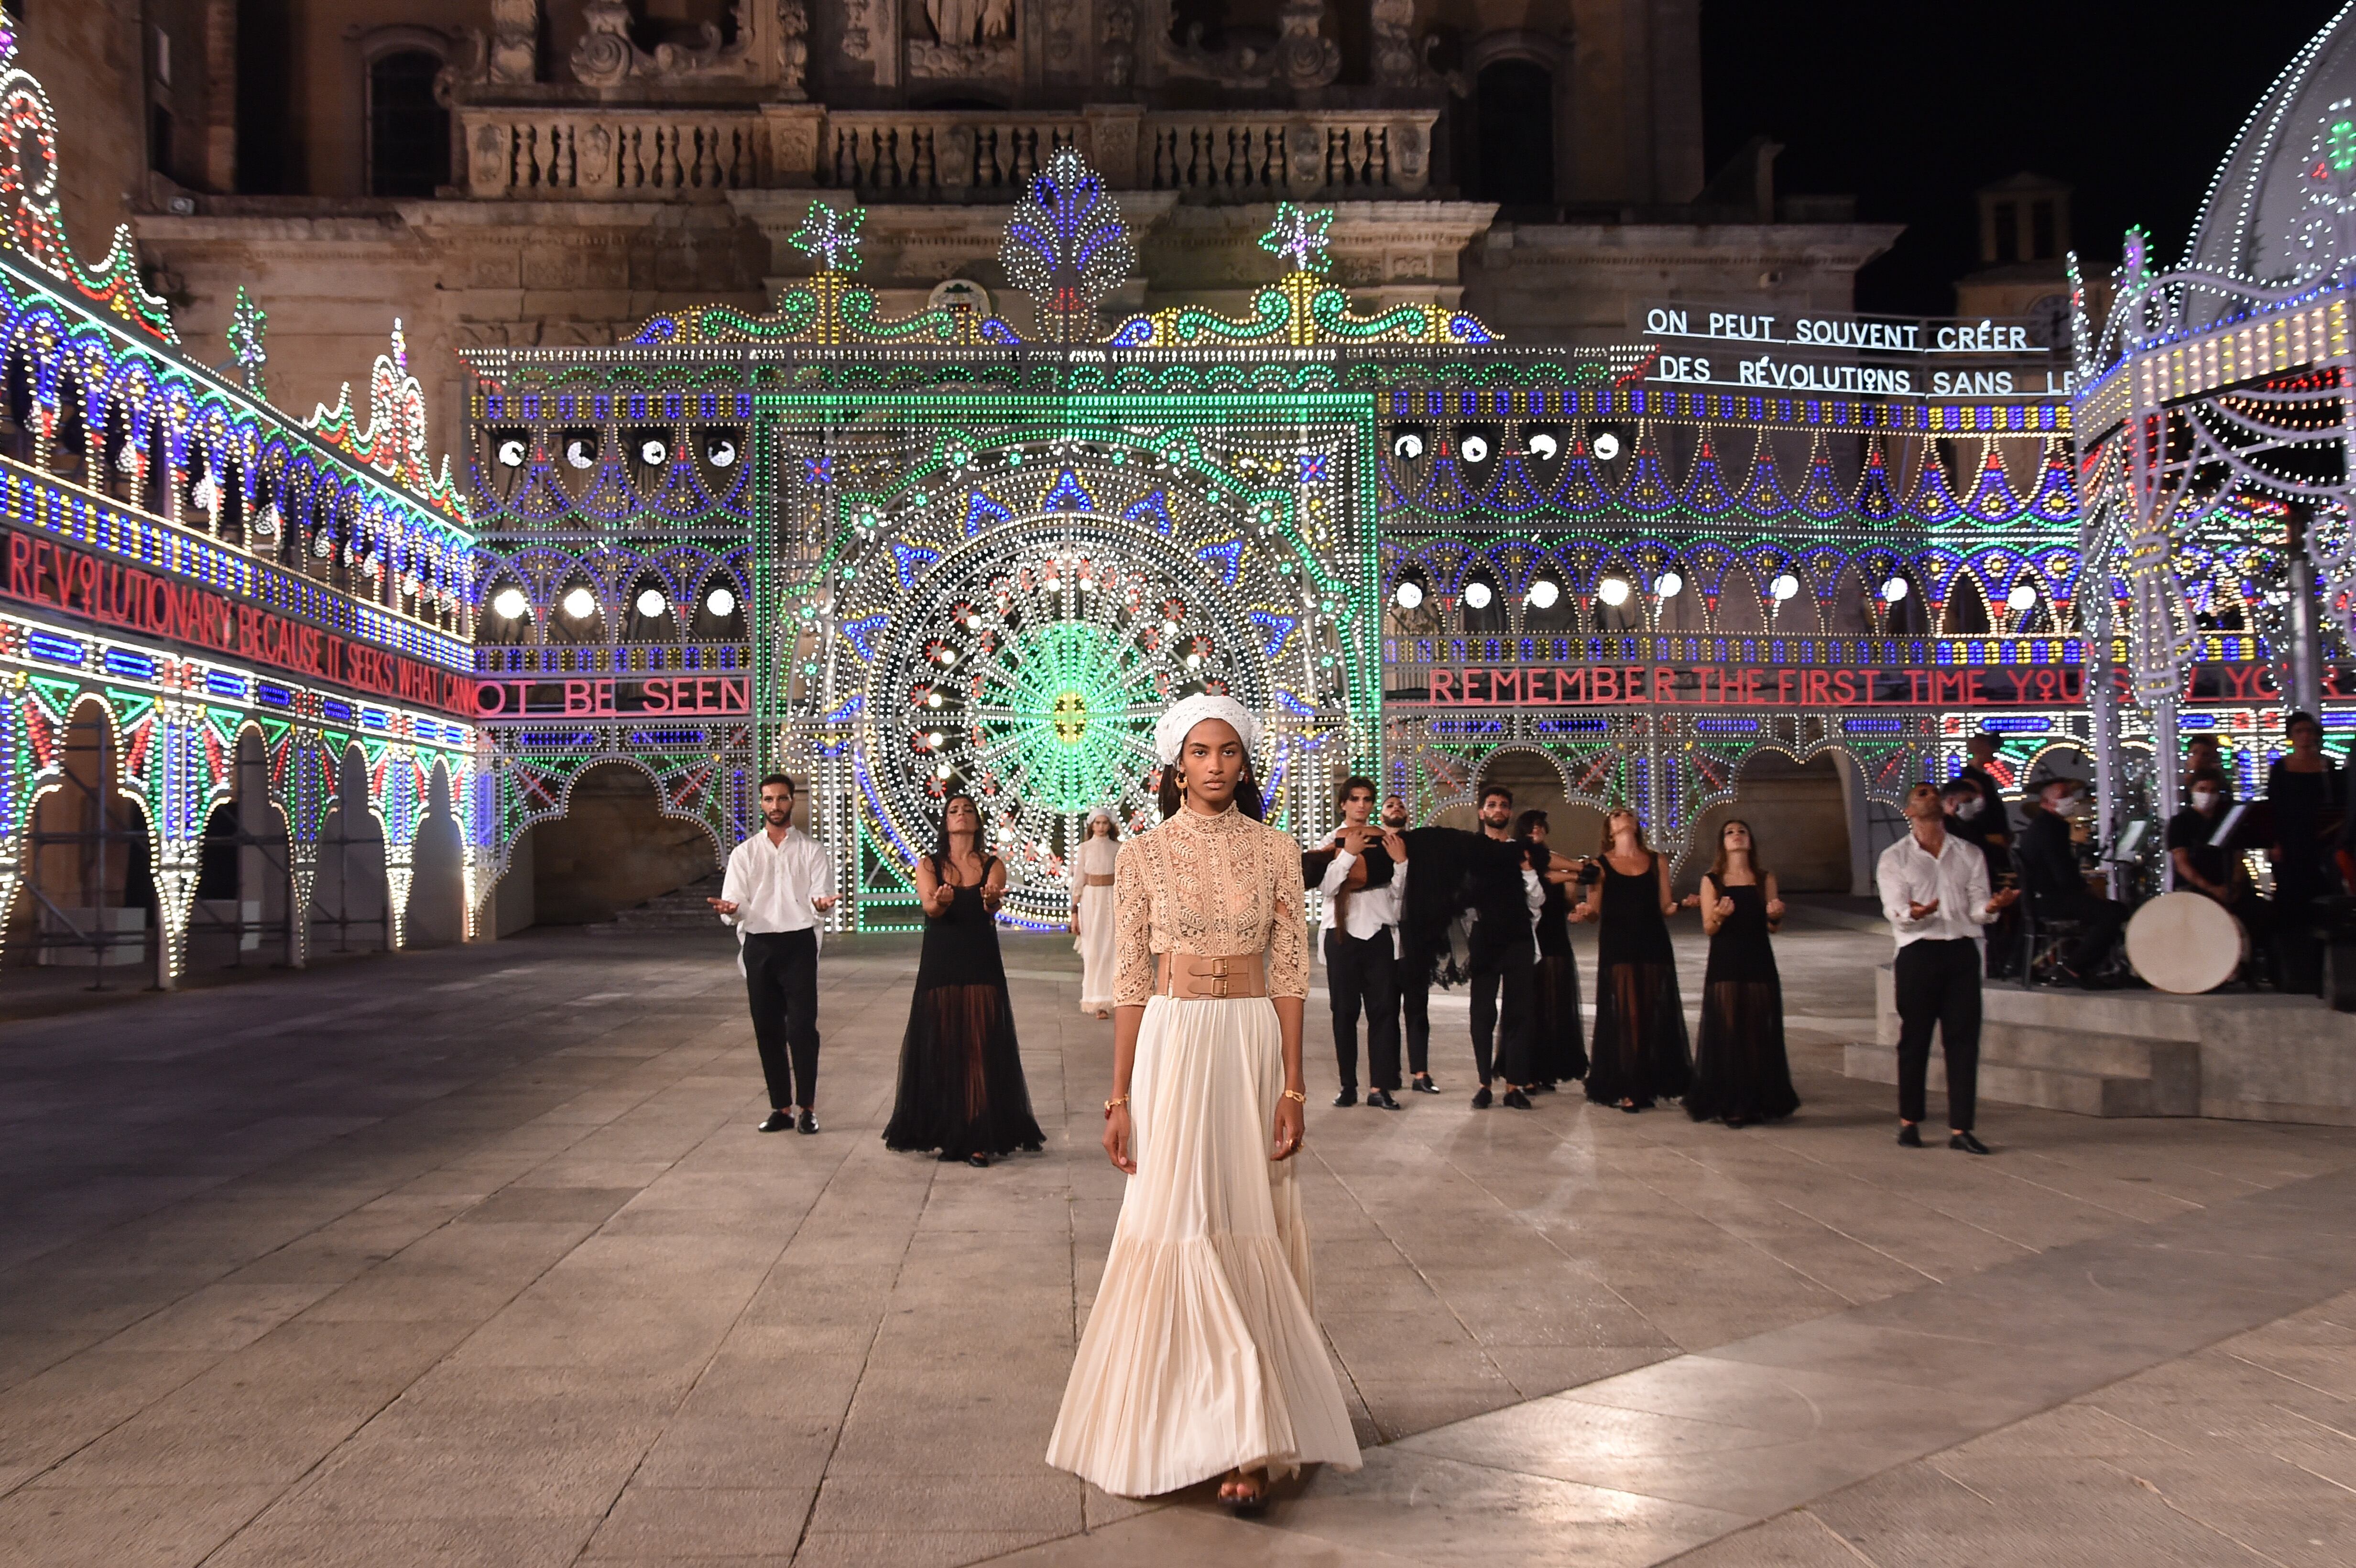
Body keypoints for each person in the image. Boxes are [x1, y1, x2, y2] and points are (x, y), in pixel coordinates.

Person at [1047, 695, 1360, 1510]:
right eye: (1200, 753)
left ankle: (1248, 1441)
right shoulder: (1144, 854)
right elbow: (1128, 983)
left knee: (1246, 1220)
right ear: (1175, 764)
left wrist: (1293, 1085)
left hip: (1250, 1042)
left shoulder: (1276, 851)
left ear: (1245, 763)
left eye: (1228, 753)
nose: (1215, 766)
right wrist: (1116, 1095)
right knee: (1179, 1222)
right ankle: (1193, 1426)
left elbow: (1292, 974)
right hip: (1174, 1046)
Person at [883, 794, 1045, 1167]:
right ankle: (946, 1129)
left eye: (968, 810)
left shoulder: (992, 864)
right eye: (954, 811)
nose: (961, 815)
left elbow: (993, 905)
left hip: (980, 964)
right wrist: (941, 900)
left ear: (977, 821)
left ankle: (977, 1135)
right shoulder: (930, 864)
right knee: (943, 1045)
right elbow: (930, 908)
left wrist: (989, 900)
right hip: (940, 964)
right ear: (945, 820)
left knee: (978, 1047)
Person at [1878, 782, 2018, 1154]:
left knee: (1963, 1041)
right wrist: (1915, 913)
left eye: (1932, 792)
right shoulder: (1895, 858)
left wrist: (1990, 908)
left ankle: (1961, 1129)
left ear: (1944, 807)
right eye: (1920, 793)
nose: (1928, 796)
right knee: (1915, 1040)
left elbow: (1976, 906)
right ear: (1909, 810)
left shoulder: (1969, 853)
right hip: (1918, 953)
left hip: (1960, 952)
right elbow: (1895, 911)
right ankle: (1910, 1122)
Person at [709, 774, 838, 1134]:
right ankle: (781, 1107)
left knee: (801, 1030)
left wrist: (822, 905)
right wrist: (730, 909)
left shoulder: (811, 850)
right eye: (769, 800)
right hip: (760, 944)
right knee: (767, 1028)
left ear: (791, 801)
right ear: (761, 803)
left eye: (782, 799)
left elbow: (821, 895)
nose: (776, 806)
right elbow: (734, 904)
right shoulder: (745, 853)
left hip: (797, 943)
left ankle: (807, 1108)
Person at [1685, 820, 1799, 1128]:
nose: (1736, 836)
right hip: (1727, 962)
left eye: (1742, 832)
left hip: (1759, 959)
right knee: (1729, 1029)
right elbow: (1709, 928)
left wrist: (1775, 917)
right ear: (1723, 843)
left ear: (1750, 841)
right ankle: (1731, 1101)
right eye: (1730, 833)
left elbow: (1771, 926)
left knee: (1757, 1029)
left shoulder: (1764, 879)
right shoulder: (1712, 880)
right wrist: (1719, 916)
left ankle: (1757, 1100)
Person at [1579, 807, 1693, 1112]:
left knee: (1652, 1012)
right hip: (1619, 945)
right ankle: (1631, 1085)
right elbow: (1594, 910)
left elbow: (1666, 907)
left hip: (1653, 942)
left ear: (1636, 824)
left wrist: (1685, 905)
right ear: (1609, 829)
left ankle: (1651, 1082)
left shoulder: (1657, 861)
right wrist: (1583, 913)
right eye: (1616, 815)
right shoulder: (1600, 865)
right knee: (1629, 1014)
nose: (1623, 817)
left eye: (1627, 813)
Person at [1314, 776, 1409, 1110]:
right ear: (1343, 804)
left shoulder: (1387, 841)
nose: (1362, 805)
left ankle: (1379, 1088)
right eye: (1355, 799)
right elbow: (1326, 889)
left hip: (1379, 933)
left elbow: (1399, 896)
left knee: (1383, 1012)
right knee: (1344, 1013)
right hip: (1342, 935)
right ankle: (1348, 1085)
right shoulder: (1332, 841)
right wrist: (1347, 856)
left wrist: (1401, 864)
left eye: (1368, 799)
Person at [1467, 784, 1546, 1110]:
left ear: (1510, 813)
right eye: (1492, 805)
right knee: (1483, 1012)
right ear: (1482, 812)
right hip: (1486, 937)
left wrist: (1527, 871)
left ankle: (1514, 1084)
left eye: (1503, 805)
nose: (1498, 810)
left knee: (1519, 1012)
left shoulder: (1521, 852)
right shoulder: (1472, 850)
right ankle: (1484, 1083)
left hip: (1518, 939)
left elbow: (1538, 900)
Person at [2019, 775, 2128, 983]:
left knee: (2112, 911)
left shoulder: (2046, 825)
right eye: (2064, 795)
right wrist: (2088, 890)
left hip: (2046, 897)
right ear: (2046, 803)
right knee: (2113, 914)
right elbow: (2064, 876)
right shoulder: (2049, 829)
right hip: (2051, 900)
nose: (2070, 800)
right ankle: (2073, 967)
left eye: (2070, 795)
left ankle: (2082, 965)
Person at [2169, 766, 2273, 978]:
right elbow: (2182, 863)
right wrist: (2212, 889)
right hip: (2197, 887)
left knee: (2264, 911)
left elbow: (2237, 857)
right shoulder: (2180, 823)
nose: (2208, 795)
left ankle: (2248, 965)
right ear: (2192, 791)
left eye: (2213, 790)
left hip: (2227, 885)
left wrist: (2234, 886)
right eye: (2202, 789)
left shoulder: (2227, 820)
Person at [1514, 809, 1589, 1089]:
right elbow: (1542, 878)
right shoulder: (1521, 859)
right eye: (1531, 827)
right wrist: (1574, 870)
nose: (1536, 831)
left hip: (1556, 936)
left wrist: (1579, 908)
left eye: (1540, 827)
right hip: (1530, 936)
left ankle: (1548, 1070)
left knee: (1555, 1004)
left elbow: (1571, 899)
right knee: (1530, 1005)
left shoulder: (1563, 862)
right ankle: (1528, 1069)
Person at [2268, 710, 2341, 994]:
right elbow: (2274, 809)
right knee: (2289, 904)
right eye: (2300, 731)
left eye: (2310, 731)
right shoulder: (2282, 769)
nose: (2306, 737)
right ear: (2291, 736)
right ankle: (2289, 971)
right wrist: (2275, 843)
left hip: (2322, 844)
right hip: (2290, 844)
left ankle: (2322, 969)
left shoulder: (2327, 768)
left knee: (2322, 902)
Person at [1382, 794, 1440, 1094]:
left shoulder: (1419, 848)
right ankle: (1389, 1074)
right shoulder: (1373, 846)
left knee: (1418, 1008)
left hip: (1414, 938)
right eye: (1390, 805)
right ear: (1382, 815)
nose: (1396, 808)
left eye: (1401, 805)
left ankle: (1421, 1072)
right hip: (1382, 938)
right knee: (1386, 1010)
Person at [1072, 806, 1121, 1018]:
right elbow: (1078, 880)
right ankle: (1093, 999)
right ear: (1091, 826)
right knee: (1093, 950)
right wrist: (1074, 911)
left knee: (1110, 949)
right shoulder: (1084, 849)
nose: (1101, 827)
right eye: (1097, 823)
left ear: (1110, 825)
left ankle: (1109, 998)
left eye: (1105, 823)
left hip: (1111, 899)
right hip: (1091, 900)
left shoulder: (1118, 848)